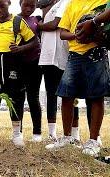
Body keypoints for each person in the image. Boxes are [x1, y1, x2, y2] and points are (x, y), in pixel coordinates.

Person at [45, 0, 110, 157]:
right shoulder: (72, 4)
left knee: (96, 97)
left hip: (96, 53)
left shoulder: (104, 1)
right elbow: (62, 33)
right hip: (74, 55)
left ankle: (93, 140)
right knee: (66, 96)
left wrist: (95, 32)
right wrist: (77, 35)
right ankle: (67, 138)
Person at [0, 0, 38, 146]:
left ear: (9, 3)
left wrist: (20, 49)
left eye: (2, 6)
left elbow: (34, 42)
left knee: (15, 97)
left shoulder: (17, 21)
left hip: (12, 62)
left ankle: (16, 134)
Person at [37, 0, 69, 141]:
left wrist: (39, 26)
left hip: (59, 55)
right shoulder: (51, 6)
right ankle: (52, 134)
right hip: (48, 56)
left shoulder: (65, 2)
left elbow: (55, 24)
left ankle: (73, 134)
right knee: (51, 94)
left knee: (68, 96)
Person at [19, 0, 43, 142]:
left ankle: (37, 133)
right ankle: (18, 132)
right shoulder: (14, 20)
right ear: (20, 3)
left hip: (35, 63)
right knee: (19, 98)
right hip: (18, 64)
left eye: (32, 6)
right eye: (25, 5)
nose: (29, 8)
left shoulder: (38, 20)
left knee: (33, 97)